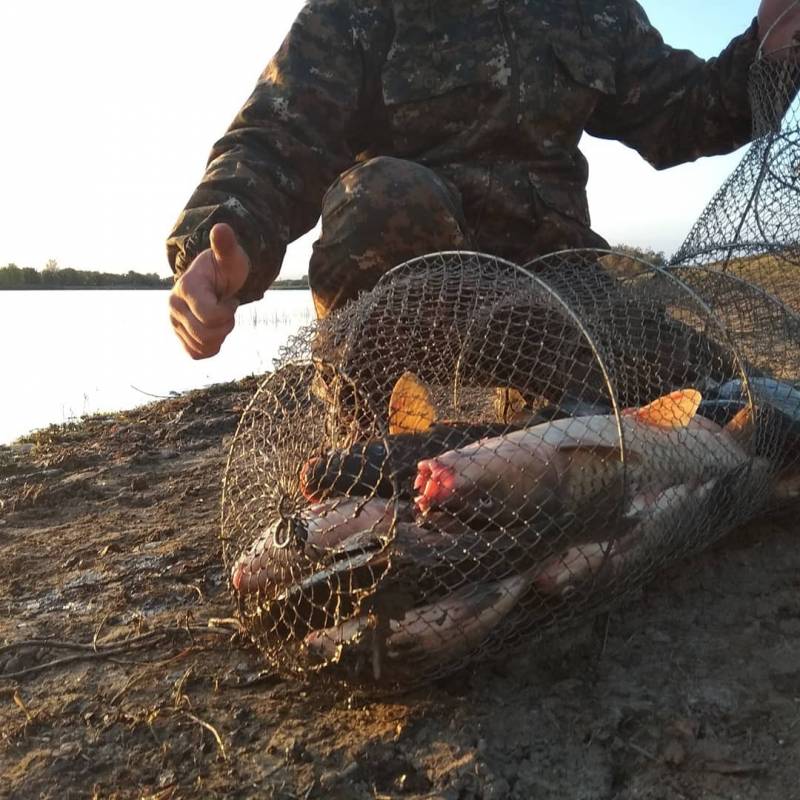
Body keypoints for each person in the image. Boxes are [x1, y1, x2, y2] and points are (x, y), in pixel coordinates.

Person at [167, 0, 800, 360]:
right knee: (383, 197)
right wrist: (220, 246)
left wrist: (768, 50)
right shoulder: (359, 8)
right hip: (417, 285)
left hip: (557, 282)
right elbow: (276, 138)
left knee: (709, 392)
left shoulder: (594, 9)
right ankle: (369, 422)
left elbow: (681, 113)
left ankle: (547, 398)